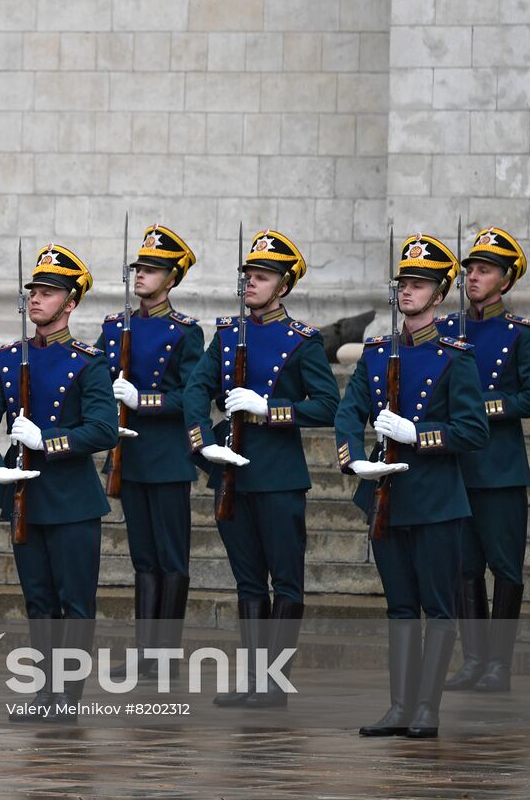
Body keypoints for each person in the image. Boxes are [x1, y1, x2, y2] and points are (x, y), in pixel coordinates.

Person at [338, 233, 487, 738]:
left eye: (420, 284)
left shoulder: (455, 356)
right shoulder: (378, 352)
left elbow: (474, 429)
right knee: (399, 604)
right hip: (387, 495)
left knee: (438, 606)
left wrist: (417, 434)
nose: (408, 291)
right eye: (404, 282)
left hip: (436, 499)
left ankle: (428, 709)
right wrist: (355, 460)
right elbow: (348, 410)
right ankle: (399, 707)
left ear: (440, 295)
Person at [183, 229, 340, 708]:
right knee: (248, 581)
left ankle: (275, 681)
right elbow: (195, 389)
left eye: (263, 275)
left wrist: (271, 408)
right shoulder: (228, 334)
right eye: (249, 274)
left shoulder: (302, 342)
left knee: (286, 580)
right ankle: (253, 680)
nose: (251, 282)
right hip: (232, 473)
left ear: (284, 286)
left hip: (278, 477)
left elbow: (328, 404)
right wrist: (205, 444)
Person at [0, 243, 118, 720]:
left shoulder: (88, 361)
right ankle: (43, 692)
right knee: (37, 599)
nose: (36, 298)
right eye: (33, 290)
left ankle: (67, 698)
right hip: (23, 494)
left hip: (71, 497)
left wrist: (47, 439)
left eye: (48, 292)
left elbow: (103, 428)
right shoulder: (11, 358)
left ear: (70, 303)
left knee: (75, 602)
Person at [96, 225, 202, 680]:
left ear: (172, 279)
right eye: (139, 267)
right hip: (130, 455)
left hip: (167, 455)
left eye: (153, 269)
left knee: (171, 556)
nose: (141, 275)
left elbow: (191, 398)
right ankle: (144, 652)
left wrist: (144, 400)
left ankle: (166, 654)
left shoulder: (186, 333)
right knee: (143, 556)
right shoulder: (115, 327)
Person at [436, 227, 530, 694]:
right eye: (470, 269)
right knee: (463, 567)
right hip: (457, 466)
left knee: (505, 567)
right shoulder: (447, 330)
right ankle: (473, 660)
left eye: (485, 270)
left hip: (498, 467)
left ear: (506, 280)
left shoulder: (522, 334)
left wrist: (482, 405)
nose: (473, 277)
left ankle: (499, 663)